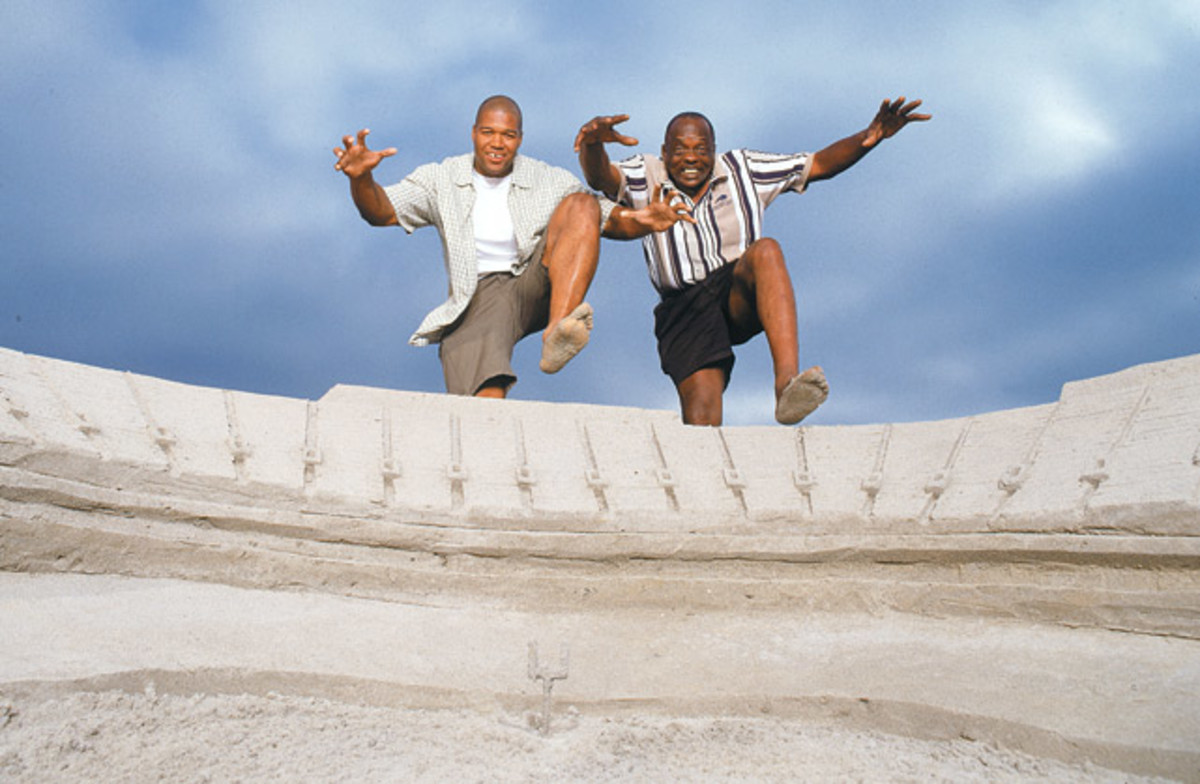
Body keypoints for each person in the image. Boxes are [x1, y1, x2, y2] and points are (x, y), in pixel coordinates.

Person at [575, 97, 931, 426]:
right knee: (703, 420)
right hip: (684, 308)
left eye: (701, 150)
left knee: (766, 251)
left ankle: (787, 384)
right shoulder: (645, 173)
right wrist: (593, 144)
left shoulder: (742, 168)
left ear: (714, 151)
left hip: (736, 292)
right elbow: (601, 176)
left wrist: (869, 137)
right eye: (681, 150)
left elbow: (817, 164)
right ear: (665, 151)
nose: (691, 158)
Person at [334, 95, 681, 399]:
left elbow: (605, 218)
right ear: (474, 133)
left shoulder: (547, 178)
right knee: (483, 406)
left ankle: (558, 329)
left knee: (581, 204)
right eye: (488, 133)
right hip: (479, 295)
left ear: (520, 139)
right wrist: (361, 179)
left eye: (508, 135)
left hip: (535, 279)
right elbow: (381, 212)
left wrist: (646, 219)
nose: (497, 143)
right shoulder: (441, 178)